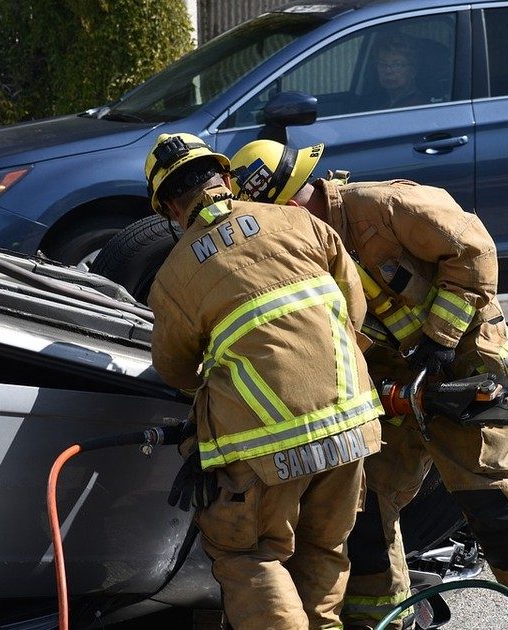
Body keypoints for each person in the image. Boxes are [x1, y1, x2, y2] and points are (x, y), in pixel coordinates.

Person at [229, 139, 508, 630]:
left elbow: (474, 250)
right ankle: (382, 617)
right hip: (396, 384)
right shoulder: (301, 251)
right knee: (365, 498)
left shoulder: (385, 206)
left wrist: (441, 336)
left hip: (463, 364)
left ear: (292, 200)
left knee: (486, 491)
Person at [144, 132, 385, 629]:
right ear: (226, 179)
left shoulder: (173, 276)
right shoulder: (299, 222)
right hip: (352, 421)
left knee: (248, 555)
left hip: (264, 445)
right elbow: (355, 310)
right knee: (324, 547)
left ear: (169, 207)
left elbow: (174, 369)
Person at [373, 33, 429, 109]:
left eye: (397, 65)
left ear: (413, 71)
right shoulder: (378, 103)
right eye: (383, 64)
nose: (388, 71)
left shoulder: (419, 107)